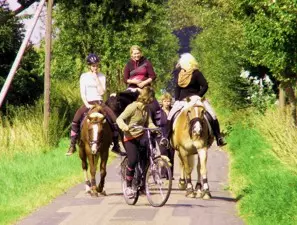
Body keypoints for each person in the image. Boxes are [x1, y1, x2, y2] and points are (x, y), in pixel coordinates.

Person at [160, 53, 226, 147]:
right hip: (182, 100)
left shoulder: (196, 73)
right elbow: (177, 88)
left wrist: (198, 96)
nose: (180, 64)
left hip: (196, 98)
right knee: (171, 115)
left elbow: (205, 86)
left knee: (212, 114)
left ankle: (218, 137)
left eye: (182, 62)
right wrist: (177, 99)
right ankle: (166, 138)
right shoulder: (181, 74)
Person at [65, 53, 125, 156]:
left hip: (100, 102)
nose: (95, 67)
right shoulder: (84, 76)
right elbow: (83, 93)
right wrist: (86, 104)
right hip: (88, 102)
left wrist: (96, 78)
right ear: (89, 66)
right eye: (93, 65)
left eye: (97, 65)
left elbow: (102, 92)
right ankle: (72, 145)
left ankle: (116, 145)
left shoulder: (102, 76)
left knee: (114, 120)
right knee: (75, 119)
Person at [116, 86, 157, 198]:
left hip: (141, 136)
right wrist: (124, 127)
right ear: (147, 98)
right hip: (130, 138)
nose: (153, 100)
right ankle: (128, 186)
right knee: (133, 160)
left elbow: (149, 123)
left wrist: (155, 128)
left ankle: (142, 181)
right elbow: (119, 119)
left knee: (148, 156)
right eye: (152, 97)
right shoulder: (132, 107)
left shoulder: (147, 109)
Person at [123, 45, 162, 129]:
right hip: (132, 88)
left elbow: (153, 76)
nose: (136, 55)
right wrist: (134, 82)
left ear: (140, 53)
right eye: (134, 54)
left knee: (154, 105)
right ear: (131, 54)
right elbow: (125, 79)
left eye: (138, 53)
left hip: (145, 88)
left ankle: (157, 124)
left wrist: (144, 83)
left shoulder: (146, 62)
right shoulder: (128, 64)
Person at [159, 92, 175, 176]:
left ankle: (170, 174)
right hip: (161, 134)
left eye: (168, 101)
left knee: (171, 154)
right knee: (164, 153)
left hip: (171, 135)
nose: (167, 103)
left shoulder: (173, 111)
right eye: (165, 101)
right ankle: (163, 172)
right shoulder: (159, 111)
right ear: (162, 101)